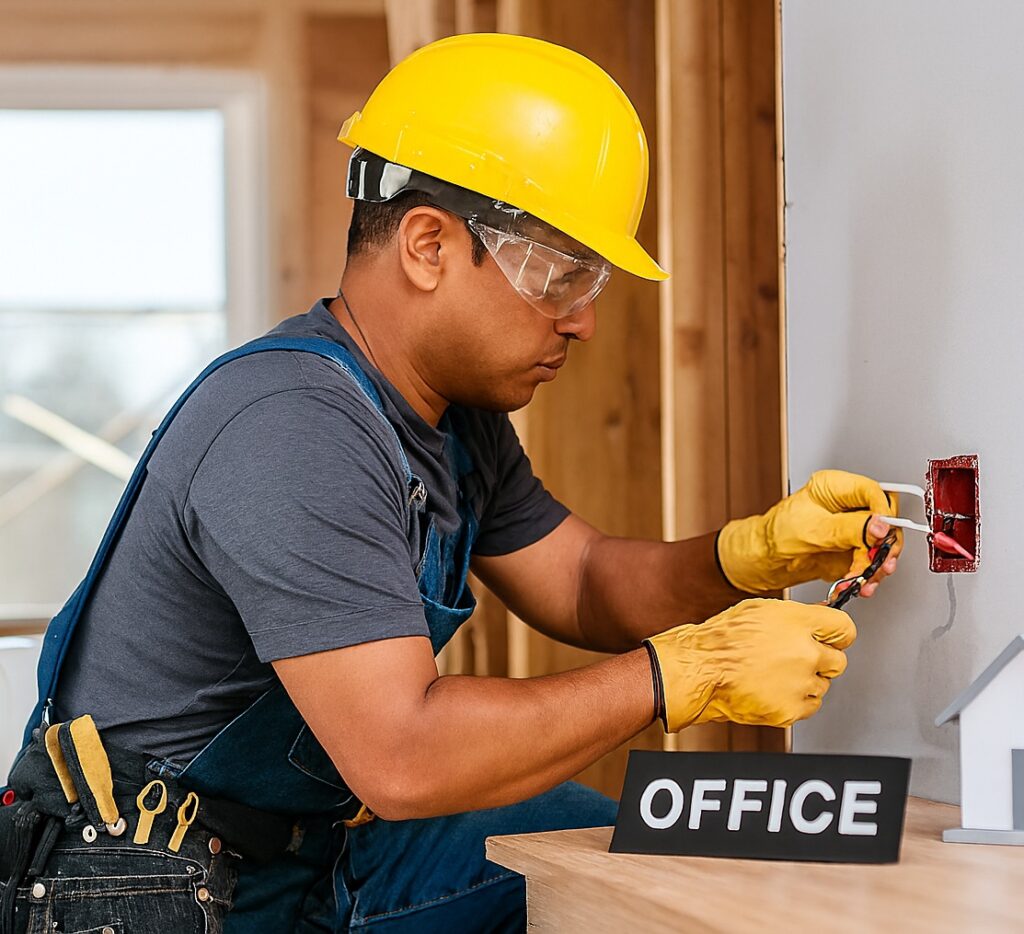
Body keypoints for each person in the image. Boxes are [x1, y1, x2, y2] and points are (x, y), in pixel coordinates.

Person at [0, 33, 901, 934]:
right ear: (428, 245)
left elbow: (583, 582)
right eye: (560, 275)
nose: (583, 321)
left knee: (622, 866)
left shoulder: (453, 422)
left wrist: (748, 556)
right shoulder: (293, 425)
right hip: (140, 888)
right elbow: (404, 756)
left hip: (311, 852)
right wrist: (684, 674)